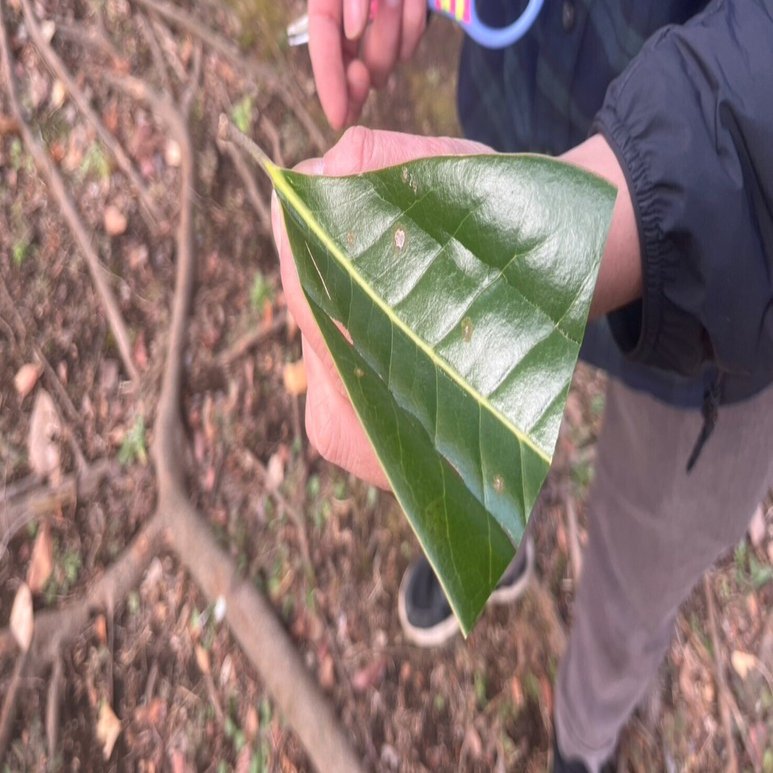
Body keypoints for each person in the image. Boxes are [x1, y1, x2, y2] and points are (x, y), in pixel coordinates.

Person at [271, 1, 773, 770]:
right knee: (495, 401)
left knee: (644, 556)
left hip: (729, 286)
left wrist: (596, 219)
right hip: (520, 107)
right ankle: (498, 535)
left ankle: (584, 735)